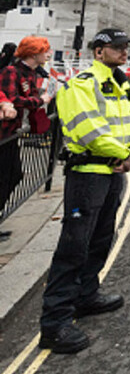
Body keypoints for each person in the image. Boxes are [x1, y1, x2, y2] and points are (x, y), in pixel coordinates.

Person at [39, 29, 130, 354]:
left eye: (126, 47)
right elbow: (88, 129)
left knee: (101, 239)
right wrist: (122, 154)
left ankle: (85, 295)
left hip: (113, 175)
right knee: (74, 247)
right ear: (99, 51)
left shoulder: (122, 84)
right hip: (87, 176)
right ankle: (54, 324)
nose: (125, 52)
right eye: (118, 47)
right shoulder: (82, 82)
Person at [0, 37, 53, 241]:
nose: (48, 54)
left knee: (13, 176)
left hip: (11, 133)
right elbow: (13, 99)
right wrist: (41, 99)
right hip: (3, 133)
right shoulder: (12, 72)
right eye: (45, 51)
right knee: (7, 177)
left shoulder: (29, 72)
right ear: (33, 53)